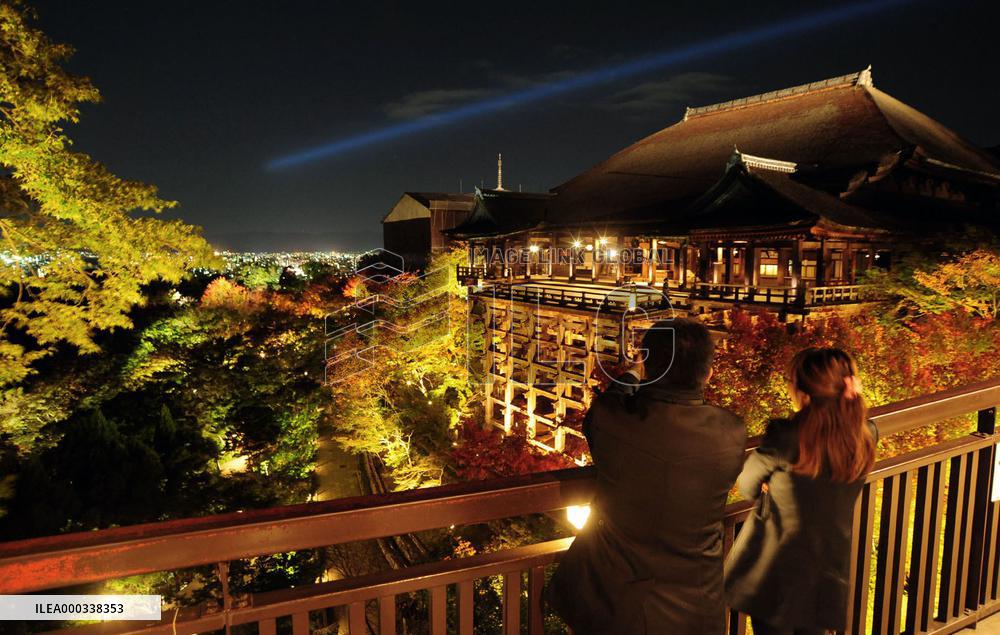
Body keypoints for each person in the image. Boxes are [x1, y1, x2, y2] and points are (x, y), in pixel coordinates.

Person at [549, 318, 747, 634]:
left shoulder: (614, 424)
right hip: (699, 606)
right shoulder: (732, 433)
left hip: (622, 607)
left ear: (650, 367)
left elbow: (608, 404)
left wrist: (632, 373)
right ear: (708, 373)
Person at [725, 348, 878, 635]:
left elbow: (747, 484)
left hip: (776, 572)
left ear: (802, 391)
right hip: (827, 570)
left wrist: (771, 486)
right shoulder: (865, 435)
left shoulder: (786, 436)